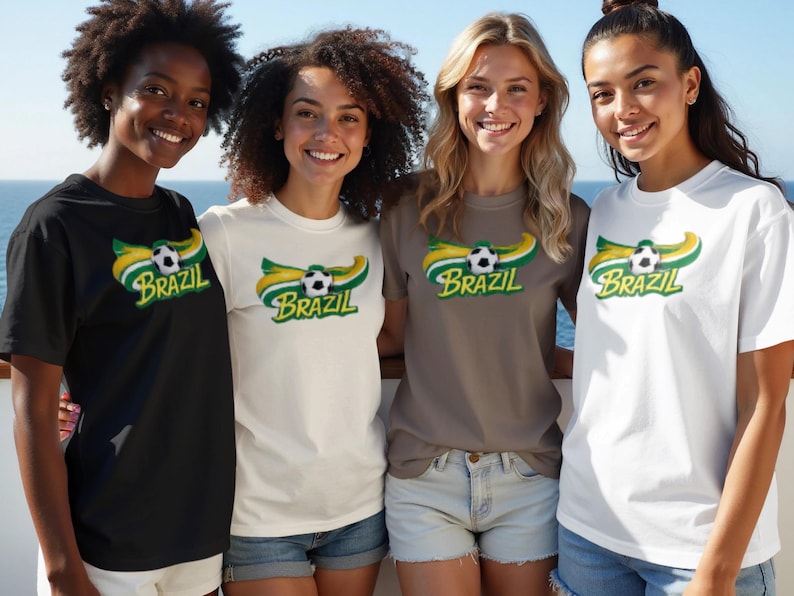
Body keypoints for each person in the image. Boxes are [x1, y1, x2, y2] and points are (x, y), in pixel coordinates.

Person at [0, 1, 243, 594]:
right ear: (110, 92)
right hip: (105, 545)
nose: (178, 114)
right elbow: (32, 409)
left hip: (197, 535)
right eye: (156, 89)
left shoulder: (180, 215)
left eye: (196, 102)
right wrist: (62, 567)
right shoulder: (54, 226)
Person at [553, 1, 794, 595]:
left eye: (643, 84)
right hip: (588, 532)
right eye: (602, 93)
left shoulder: (753, 210)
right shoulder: (605, 211)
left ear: (689, 84)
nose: (622, 109)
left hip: (698, 552)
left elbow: (765, 402)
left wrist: (715, 574)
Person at [199, 28, 427, 596]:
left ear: (370, 133)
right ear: (277, 124)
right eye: (308, 113)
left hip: (358, 503)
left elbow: (386, 340)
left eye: (350, 117)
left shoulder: (376, 240)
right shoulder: (225, 233)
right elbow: (170, 344)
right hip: (258, 514)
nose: (329, 134)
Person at [377, 12, 589, 596]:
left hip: (530, 474)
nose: (496, 104)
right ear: (454, 97)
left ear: (542, 100)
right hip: (425, 473)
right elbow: (389, 338)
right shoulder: (404, 210)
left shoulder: (566, 220)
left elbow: (607, 338)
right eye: (478, 86)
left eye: (516, 88)